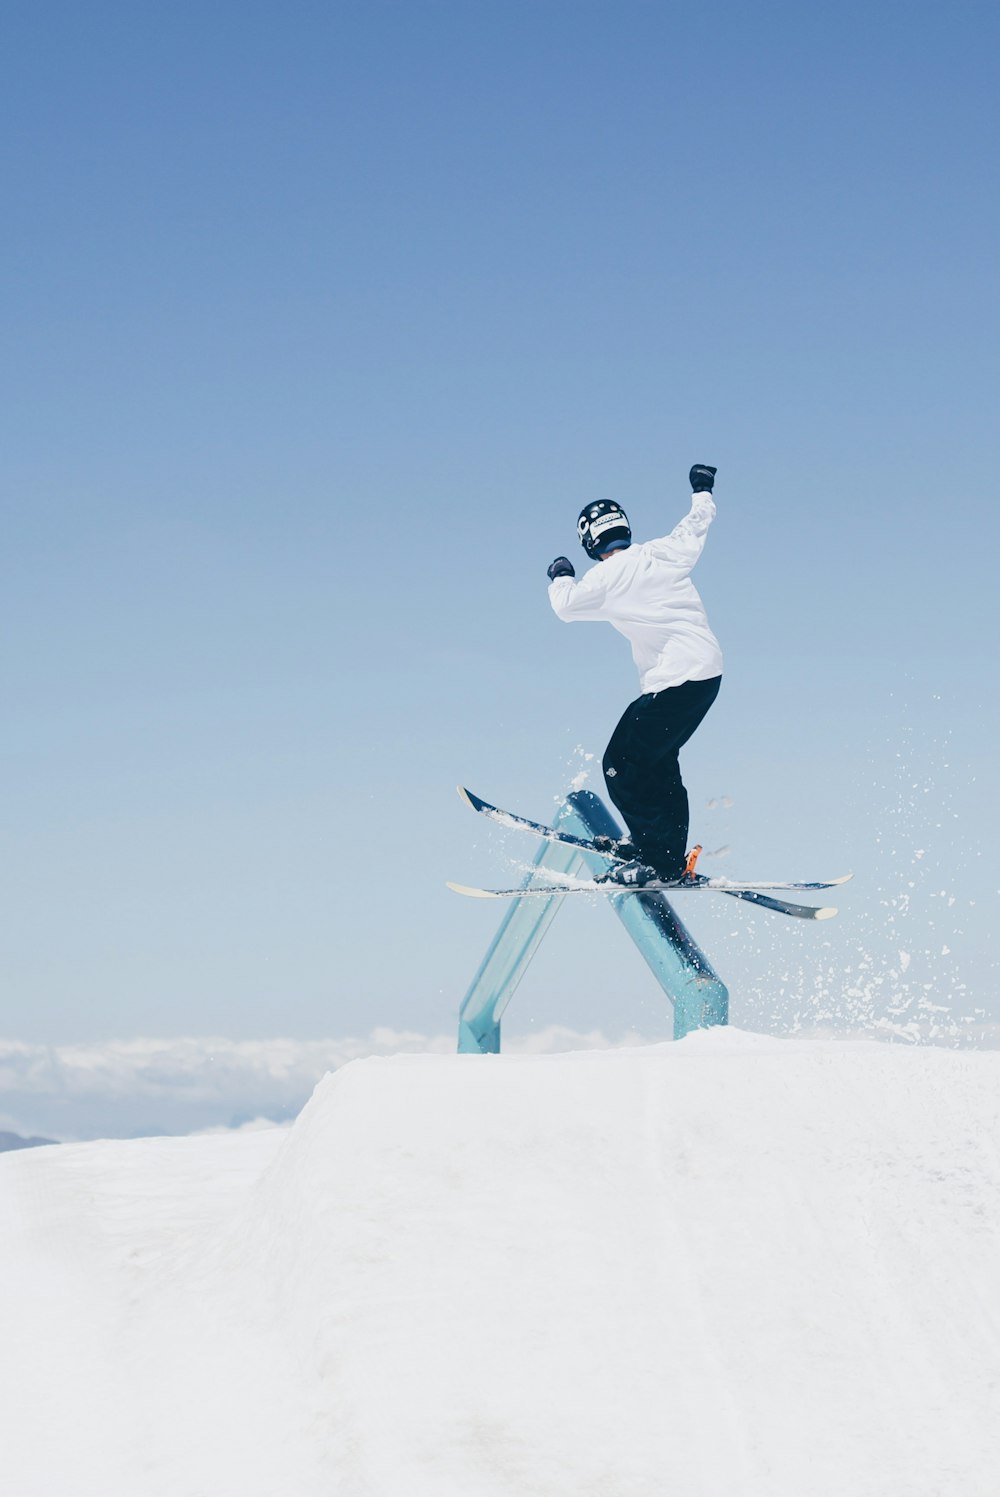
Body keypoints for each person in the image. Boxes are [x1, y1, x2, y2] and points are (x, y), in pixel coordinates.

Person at [546, 464, 723, 885]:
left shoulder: (605, 578)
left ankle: (655, 859)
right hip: (708, 675)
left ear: (590, 540)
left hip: (677, 680)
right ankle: (662, 850)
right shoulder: (664, 552)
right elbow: (696, 524)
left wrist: (560, 574)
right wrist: (702, 490)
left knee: (621, 765)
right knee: (659, 763)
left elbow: (566, 606)